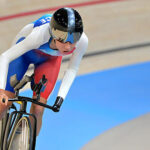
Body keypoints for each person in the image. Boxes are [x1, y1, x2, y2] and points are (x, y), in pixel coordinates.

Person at [0, 7, 88, 135]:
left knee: (38, 110)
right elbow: (5, 57)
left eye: (74, 38)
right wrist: (1, 91)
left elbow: (72, 69)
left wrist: (60, 98)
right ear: (53, 33)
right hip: (24, 55)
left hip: (49, 61)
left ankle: (26, 142)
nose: (68, 46)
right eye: (62, 38)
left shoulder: (82, 41)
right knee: (3, 103)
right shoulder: (39, 35)